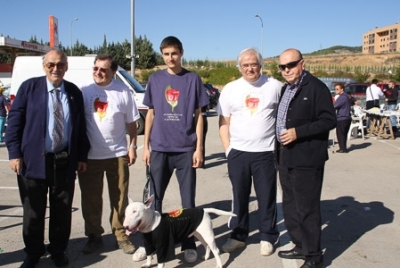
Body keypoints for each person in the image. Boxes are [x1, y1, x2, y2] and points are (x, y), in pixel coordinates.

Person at [5, 48, 90, 268]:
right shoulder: (29, 88)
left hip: (64, 160)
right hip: (32, 160)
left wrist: (81, 155)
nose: (56, 69)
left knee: (62, 210)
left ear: (66, 67)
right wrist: (14, 153)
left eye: (60, 65)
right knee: (33, 210)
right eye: (51, 64)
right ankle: (33, 252)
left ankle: (58, 251)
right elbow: (14, 122)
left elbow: (80, 128)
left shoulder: (73, 92)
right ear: (44, 66)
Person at [135, 36, 209, 264]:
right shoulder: (155, 80)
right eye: (166, 54)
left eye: (174, 53)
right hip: (159, 149)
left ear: (181, 53)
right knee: (153, 203)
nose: (170, 58)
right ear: (162, 55)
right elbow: (151, 115)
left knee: (188, 203)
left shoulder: (192, 79)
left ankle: (188, 243)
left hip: (185, 149)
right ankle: (150, 248)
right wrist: (146, 146)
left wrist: (199, 148)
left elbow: (199, 116)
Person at [275, 48, 336, 268]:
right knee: (290, 206)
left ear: (303, 63)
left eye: (291, 65)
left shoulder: (316, 88)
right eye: (282, 66)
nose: (286, 70)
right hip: (285, 156)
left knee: (307, 209)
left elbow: (329, 120)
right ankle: (300, 246)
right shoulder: (286, 89)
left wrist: (297, 132)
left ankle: (314, 257)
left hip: (307, 160)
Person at [217, 47, 281, 255]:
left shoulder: (274, 87)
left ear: (260, 65)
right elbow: (223, 121)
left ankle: (267, 236)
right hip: (239, 153)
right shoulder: (230, 89)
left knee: (266, 197)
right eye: (245, 65)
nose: (250, 68)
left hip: (266, 152)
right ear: (239, 67)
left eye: (254, 64)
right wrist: (228, 150)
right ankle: (238, 236)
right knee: (239, 197)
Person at [78, 55, 140, 255]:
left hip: (118, 154)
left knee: (120, 198)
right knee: (91, 199)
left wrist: (132, 146)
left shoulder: (123, 92)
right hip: (90, 156)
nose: (98, 72)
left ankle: (121, 234)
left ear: (113, 72)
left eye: (103, 69)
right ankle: (94, 237)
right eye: (95, 68)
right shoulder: (85, 92)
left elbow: (132, 123)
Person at [333, 83, 352, 153]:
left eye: (337, 89)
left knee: (340, 134)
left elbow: (335, 106)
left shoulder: (342, 97)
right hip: (346, 118)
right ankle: (343, 147)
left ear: (342, 89)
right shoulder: (346, 96)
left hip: (342, 118)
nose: (336, 90)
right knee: (343, 134)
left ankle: (343, 148)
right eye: (335, 89)